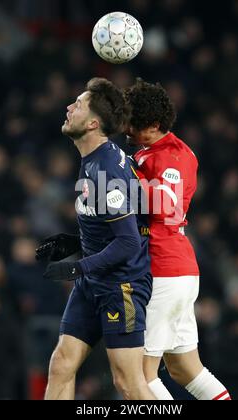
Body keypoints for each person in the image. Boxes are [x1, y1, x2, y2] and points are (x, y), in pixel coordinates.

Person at [36, 78, 156, 400]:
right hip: (94, 282)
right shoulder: (96, 159)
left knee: (128, 384)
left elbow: (129, 241)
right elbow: (112, 226)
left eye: (77, 104)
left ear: (92, 123)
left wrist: (79, 267)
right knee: (61, 364)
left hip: (122, 286)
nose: (68, 107)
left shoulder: (104, 170)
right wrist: (73, 243)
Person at [124, 78, 231, 401]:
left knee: (139, 376)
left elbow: (165, 205)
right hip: (177, 270)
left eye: (134, 124)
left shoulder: (172, 156)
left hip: (164, 270)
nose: (127, 129)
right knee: (185, 369)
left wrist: (125, 178)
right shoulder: (155, 151)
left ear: (154, 124)